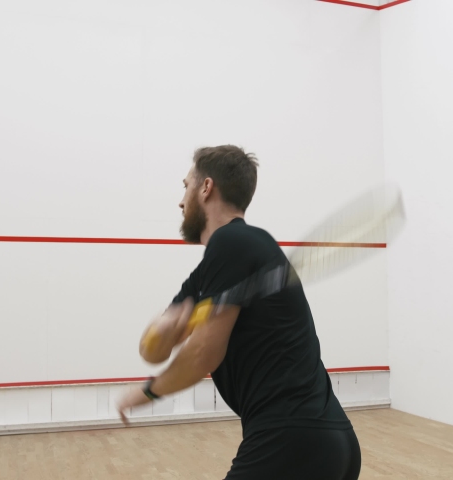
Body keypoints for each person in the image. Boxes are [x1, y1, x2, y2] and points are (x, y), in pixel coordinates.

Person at [117, 145, 361, 479]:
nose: (180, 200)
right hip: (323, 440)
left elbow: (204, 353)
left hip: (289, 441)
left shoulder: (235, 243)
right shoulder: (212, 269)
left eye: (185, 185)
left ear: (206, 187)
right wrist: (165, 329)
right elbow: (151, 350)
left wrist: (149, 391)